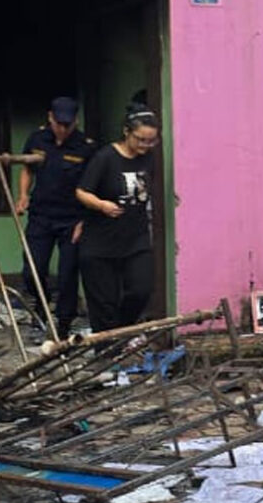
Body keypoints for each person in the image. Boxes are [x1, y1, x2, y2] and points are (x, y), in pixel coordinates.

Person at [74, 108, 161, 334]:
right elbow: (82, 192)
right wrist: (101, 205)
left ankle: (122, 331)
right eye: (140, 139)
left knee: (141, 290)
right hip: (101, 241)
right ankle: (108, 346)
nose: (145, 145)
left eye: (151, 141)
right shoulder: (105, 157)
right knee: (105, 303)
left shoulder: (148, 158)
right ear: (126, 132)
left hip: (135, 238)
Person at [16, 97, 97, 338]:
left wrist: (85, 220)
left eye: (67, 124)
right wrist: (23, 195)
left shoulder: (86, 147)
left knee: (67, 274)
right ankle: (41, 305)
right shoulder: (37, 139)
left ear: (76, 121)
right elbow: (27, 169)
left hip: (72, 219)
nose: (63, 128)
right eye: (59, 123)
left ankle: (64, 323)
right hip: (41, 216)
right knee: (32, 270)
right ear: (50, 117)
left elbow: (93, 186)